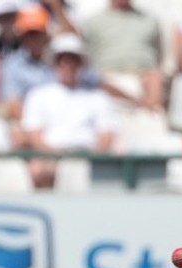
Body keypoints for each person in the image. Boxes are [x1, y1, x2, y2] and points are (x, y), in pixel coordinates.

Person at [20, 32, 117, 188]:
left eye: (73, 60)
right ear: (55, 63)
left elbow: (106, 135)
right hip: (52, 158)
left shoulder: (98, 97)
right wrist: (57, 156)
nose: (68, 64)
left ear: (81, 63)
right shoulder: (38, 95)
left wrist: (92, 157)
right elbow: (34, 135)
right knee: (39, 170)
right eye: (62, 60)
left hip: (87, 156)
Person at [81, 0, 165, 111]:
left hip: (143, 79)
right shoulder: (92, 22)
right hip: (108, 80)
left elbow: (160, 55)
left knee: (155, 79)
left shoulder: (150, 21)